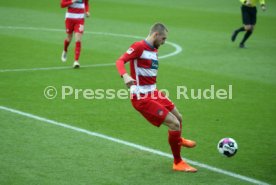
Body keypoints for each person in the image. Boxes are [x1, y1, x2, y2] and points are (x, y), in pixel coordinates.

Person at [116, 23, 197, 172]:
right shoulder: (139, 46)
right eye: (163, 39)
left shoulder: (154, 49)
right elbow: (120, 61)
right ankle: (178, 162)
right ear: (155, 35)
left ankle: (177, 140)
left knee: (179, 118)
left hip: (154, 92)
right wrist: (125, 75)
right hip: (142, 97)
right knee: (174, 124)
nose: (164, 42)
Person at [60, 0, 90, 68]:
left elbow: (86, 3)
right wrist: (72, 1)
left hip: (80, 19)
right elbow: (62, 4)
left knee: (78, 39)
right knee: (69, 38)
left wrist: (87, 11)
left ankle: (76, 61)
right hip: (69, 19)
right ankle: (65, 50)